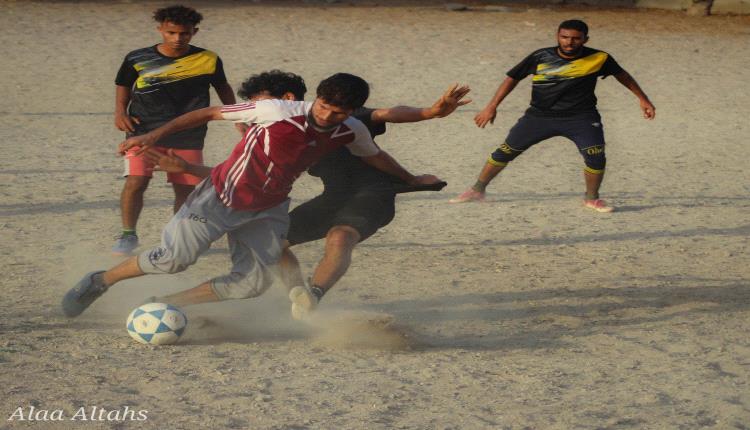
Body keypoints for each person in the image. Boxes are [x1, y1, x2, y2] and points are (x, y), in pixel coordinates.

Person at [62, 73, 439, 318]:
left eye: (338, 112)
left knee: (250, 285)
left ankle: (164, 306)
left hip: (269, 209)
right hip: (219, 197)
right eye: (324, 106)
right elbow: (209, 113)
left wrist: (411, 178)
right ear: (317, 98)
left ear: (352, 111)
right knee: (173, 261)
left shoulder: (352, 129)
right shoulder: (274, 110)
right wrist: (152, 135)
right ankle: (100, 281)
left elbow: (375, 156)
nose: (327, 116)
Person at [450, 19, 655, 212]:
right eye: (564, 37)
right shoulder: (540, 56)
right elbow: (512, 78)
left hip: (581, 117)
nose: (569, 42)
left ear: (585, 39)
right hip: (539, 117)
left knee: (596, 155)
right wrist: (491, 106)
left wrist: (643, 99)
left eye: (575, 38)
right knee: (505, 151)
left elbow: (623, 76)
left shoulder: (600, 58)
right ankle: (477, 190)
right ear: (557, 36)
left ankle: (592, 198)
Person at [112, 5, 240, 255]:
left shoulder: (209, 59)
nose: (178, 38)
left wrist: (237, 115)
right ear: (160, 29)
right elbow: (123, 85)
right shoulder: (137, 58)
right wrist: (120, 112)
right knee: (136, 181)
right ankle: (128, 234)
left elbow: (223, 87)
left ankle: (176, 238)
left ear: (194, 32)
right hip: (143, 129)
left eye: (184, 33)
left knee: (184, 187)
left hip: (189, 133)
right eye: (171, 33)